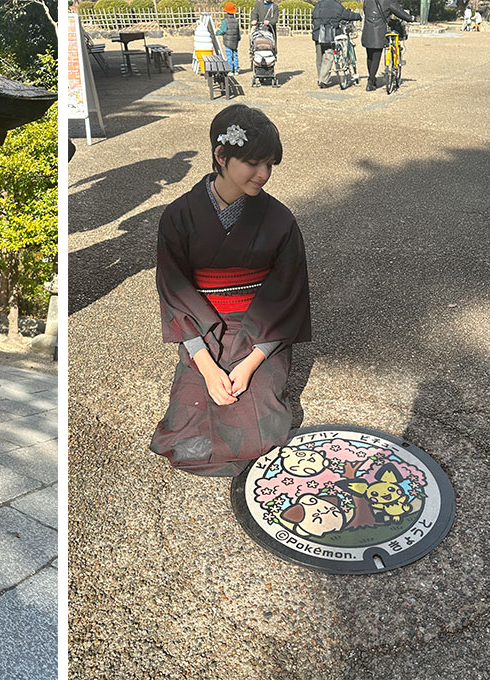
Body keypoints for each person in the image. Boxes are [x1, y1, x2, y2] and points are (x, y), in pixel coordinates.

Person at [150, 105, 311, 476]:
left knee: (260, 427)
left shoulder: (280, 219)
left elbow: (287, 293)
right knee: (189, 434)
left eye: (270, 164)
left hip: (260, 329)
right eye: (254, 162)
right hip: (202, 329)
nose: (264, 174)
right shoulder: (178, 216)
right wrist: (205, 365)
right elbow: (174, 291)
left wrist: (254, 360)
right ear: (221, 155)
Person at [361, 0, 417, 91]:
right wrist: (410, 18)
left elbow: (366, 11)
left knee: (370, 56)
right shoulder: (387, 1)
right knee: (376, 57)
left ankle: (372, 79)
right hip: (379, 31)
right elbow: (399, 11)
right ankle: (370, 82)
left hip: (368, 30)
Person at [312, 0, 362, 87]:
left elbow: (313, 18)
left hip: (317, 34)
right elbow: (347, 15)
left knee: (319, 57)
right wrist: (358, 16)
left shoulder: (318, 5)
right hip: (329, 34)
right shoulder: (336, 5)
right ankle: (323, 80)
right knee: (328, 56)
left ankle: (320, 77)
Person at [216, 2, 242, 75]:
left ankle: (230, 70)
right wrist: (238, 38)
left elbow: (223, 30)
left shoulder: (225, 21)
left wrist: (217, 32)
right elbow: (238, 31)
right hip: (235, 40)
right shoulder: (236, 20)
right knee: (235, 55)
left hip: (228, 41)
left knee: (229, 55)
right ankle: (236, 70)